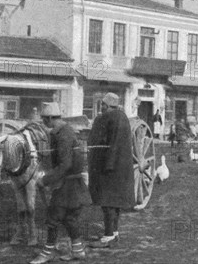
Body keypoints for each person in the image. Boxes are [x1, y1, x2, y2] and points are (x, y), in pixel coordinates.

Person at [31, 102, 91, 264]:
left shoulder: (63, 135)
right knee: (70, 218)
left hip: (68, 184)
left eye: (44, 120)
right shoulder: (63, 131)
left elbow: (65, 164)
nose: (44, 123)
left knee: (53, 216)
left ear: (51, 118)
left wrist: (45, 179)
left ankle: (47, 253)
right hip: (72, 182)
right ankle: (78, 251)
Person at [87, 93, 136, 248]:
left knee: (107, 201)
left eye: (102, 105)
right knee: (114, 202)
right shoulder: (122, 117)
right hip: (121, 167)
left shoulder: (111, 118)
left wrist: (107, 165)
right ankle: (114, 233)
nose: (101, 108)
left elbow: (112, 143)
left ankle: (108, 237)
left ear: (106, 106)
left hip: (110, 167)